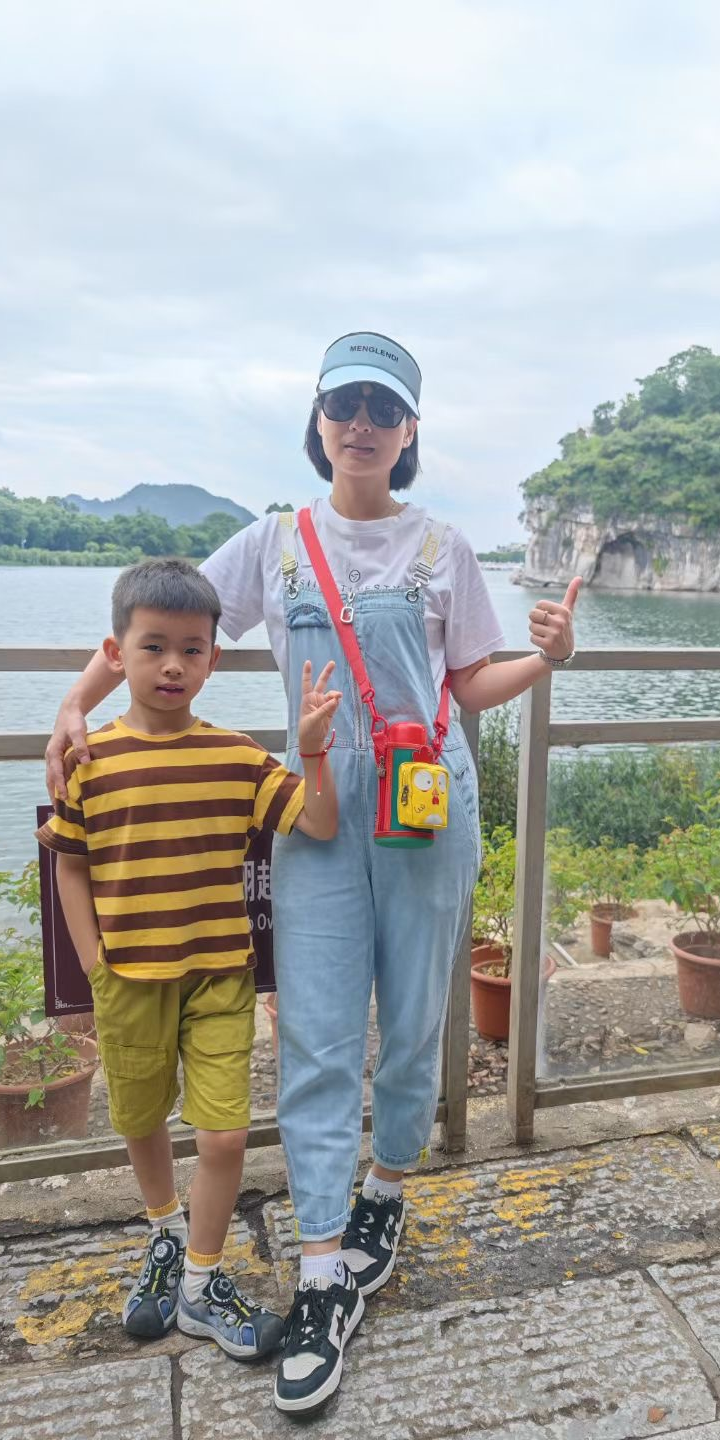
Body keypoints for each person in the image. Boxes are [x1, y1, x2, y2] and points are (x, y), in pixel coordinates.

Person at [45, 332, 580, 1414]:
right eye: (346, 404)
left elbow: (470, 683)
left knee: (416, 1017)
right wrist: (73, 705)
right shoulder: (275, 544)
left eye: (385, 407)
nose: (363, 424)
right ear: (320, 419)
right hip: (322, 810)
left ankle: (387, 1184)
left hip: (428, 806)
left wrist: (549, 658)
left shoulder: (445, 546)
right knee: (320, 1033)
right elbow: (161, 626)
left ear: (411, 429)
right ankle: (325, 1267)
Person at [38, 557, 340, 1363]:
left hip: (219, 978)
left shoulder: (236, 757)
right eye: (154, 647)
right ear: (118, 653)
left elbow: (318, 823)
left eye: (191, 649)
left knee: (225, 1137)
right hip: (128, 979)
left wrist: (313, 751)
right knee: (140, 1120)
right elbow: (70, 864)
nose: (173, 665)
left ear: (213, 658)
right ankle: (166, 1234)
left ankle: (202, 1283)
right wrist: (97, 965)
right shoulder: (91, 760)